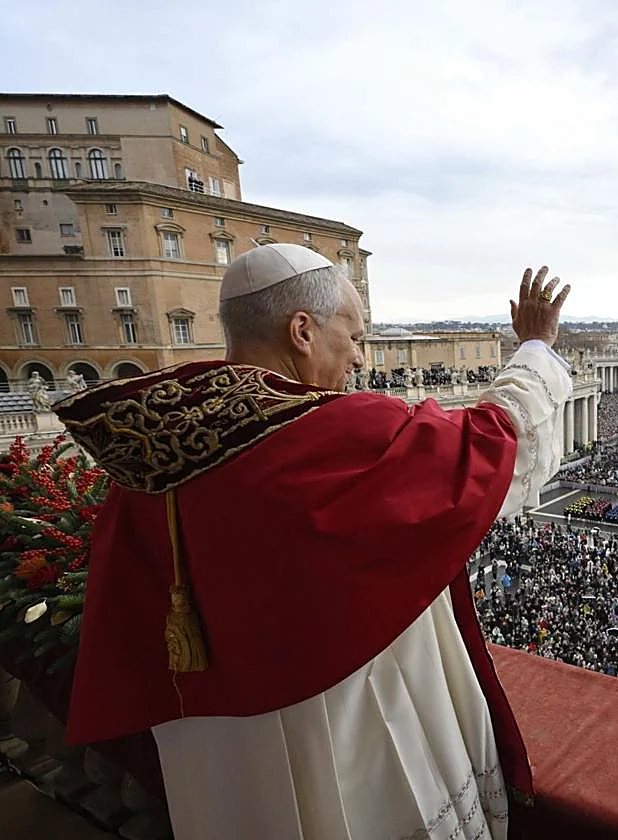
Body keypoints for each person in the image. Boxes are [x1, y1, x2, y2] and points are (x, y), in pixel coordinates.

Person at [54, 244, 574, 840]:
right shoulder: (333, 434)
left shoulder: (150, 457)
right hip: (347, 728)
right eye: (352, 337)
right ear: (301, 330)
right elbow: (495, 446)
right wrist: (535, 348)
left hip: (218, 752)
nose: (358, 358)